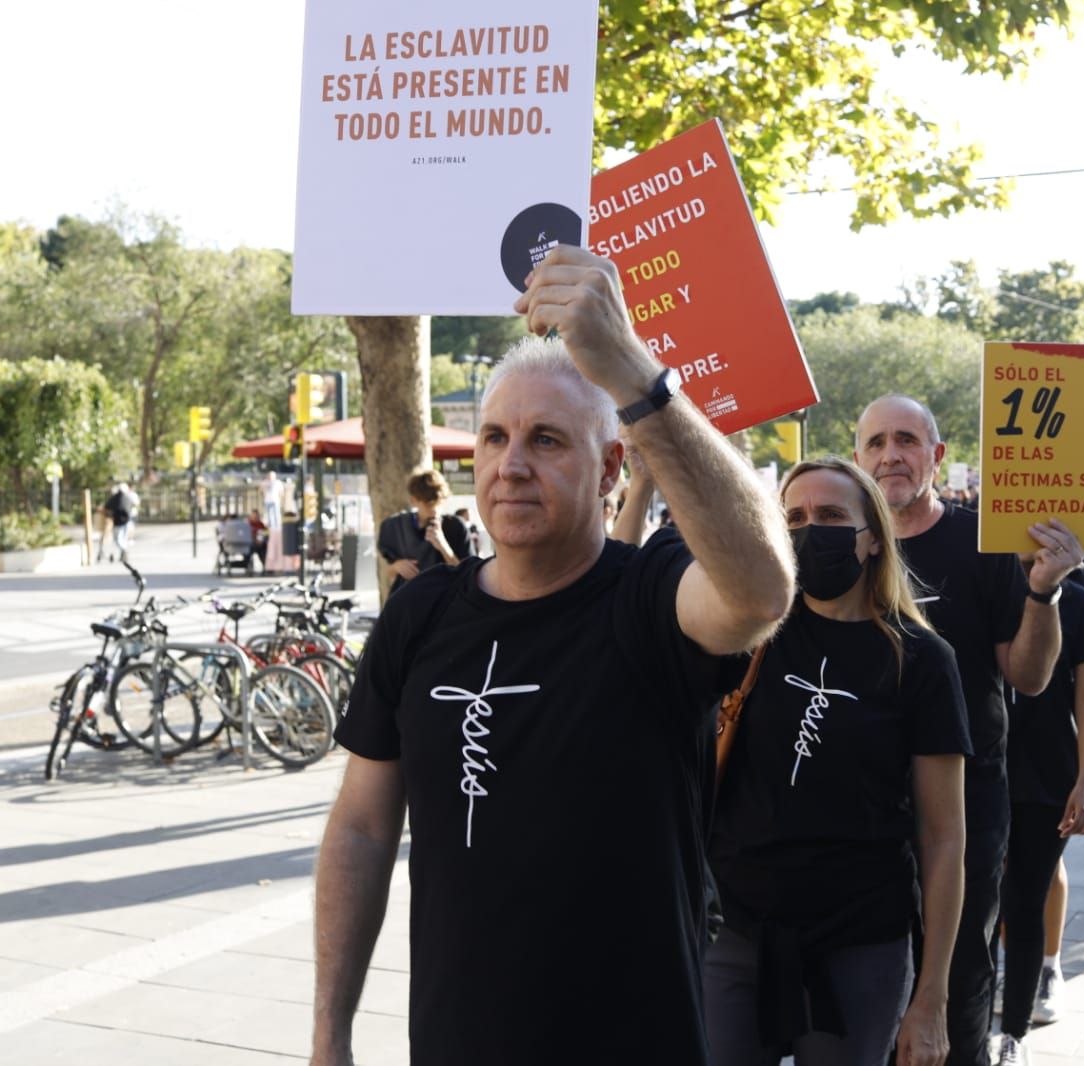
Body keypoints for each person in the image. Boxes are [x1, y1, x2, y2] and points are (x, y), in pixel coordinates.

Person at [311, 245, 795, 1066]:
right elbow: (360, 828)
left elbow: (759, 593)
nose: (511, 464)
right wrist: (332, 1035)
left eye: (547, 440)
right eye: (495, 438)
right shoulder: (420, 615)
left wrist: (634, 374)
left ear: (611, 468)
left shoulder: (650, 596)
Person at [705, 456, 969, 1066]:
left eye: (830, 516)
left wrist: (931, 996)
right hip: (737, 931)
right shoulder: (750, 632)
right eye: (793, 516)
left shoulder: (921, 660)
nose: (809, 529)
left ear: (873, 536)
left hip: (860, 942)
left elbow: (944, 838)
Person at [853, 395, 1081, 1066]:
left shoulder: (985, 542)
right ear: (858, 456)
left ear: (937, 455)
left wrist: (1045, 592)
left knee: (957, 973)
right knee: (866, 971)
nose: (890, 454)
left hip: (967, 801)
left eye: (905, 440)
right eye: (874, 443)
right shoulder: (841, 542)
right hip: (861, 800)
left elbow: (1031, 677)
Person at [994, 553, 1084, 1064]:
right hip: (970, 767)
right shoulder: (980, 587)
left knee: (1024, 900)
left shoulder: (1080, 602)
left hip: (1044, 775)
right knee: (967, 902)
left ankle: (1013, 1031)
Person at [375, 468, 471, 596]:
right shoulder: (397, 527)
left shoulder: (455, 526)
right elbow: (389, 572)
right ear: (413, 500)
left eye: (438, 503)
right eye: (428, 504)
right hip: (408, 601)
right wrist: (397, 566)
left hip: (445, 601)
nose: (435, 510)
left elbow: (469, 575)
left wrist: (443, 547)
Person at [102, 481, 139, 563]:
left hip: (119, 521)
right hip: (127, 520)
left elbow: (106, 507)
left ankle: (124, 551)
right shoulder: (127, 498)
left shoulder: (115, 498)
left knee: (118, 539)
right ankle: (123, 553)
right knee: (123, 538)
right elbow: (133, 505)